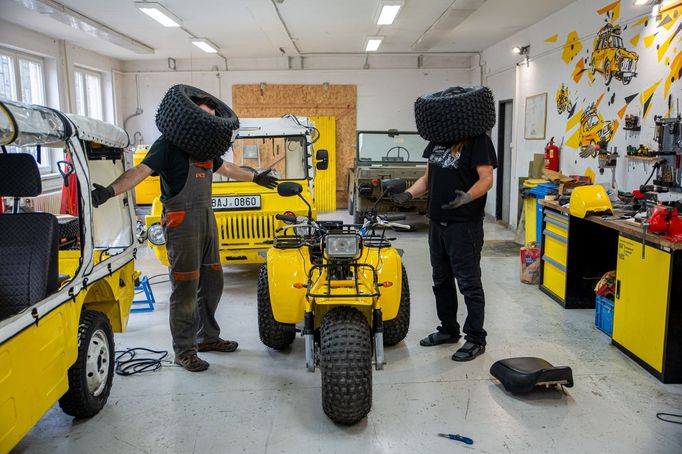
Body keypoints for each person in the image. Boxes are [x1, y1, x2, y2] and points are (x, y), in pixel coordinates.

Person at [91, 96, 278, 372]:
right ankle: (184, 351)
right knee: (185, 288)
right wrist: (108, 191)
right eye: (206, 111)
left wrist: (255, 178)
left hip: (206, 220)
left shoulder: (204, 147)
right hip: (182, 223)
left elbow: (226, 168)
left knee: (213, 282)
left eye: (213, 113)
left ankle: (207, 338)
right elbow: (140, 171)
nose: (210, 116)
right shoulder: (167, 145)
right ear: (189, 114)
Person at [393, 134, 496, 361]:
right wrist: (408, 193)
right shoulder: (438, 141)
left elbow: (486, 178)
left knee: (468, 283)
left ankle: (476, 338)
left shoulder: (478, 141)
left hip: (464, 225)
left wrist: (467, 197)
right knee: (441, 280)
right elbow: (428, 179)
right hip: (437, 223)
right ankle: (448, 329)